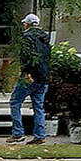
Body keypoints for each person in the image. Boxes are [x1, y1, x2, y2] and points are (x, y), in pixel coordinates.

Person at [10, 11, 51, 144]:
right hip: (43, 77)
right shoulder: (45, 38)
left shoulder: (26, 38)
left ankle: (17, 133)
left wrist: (27, 73)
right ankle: (40, 135)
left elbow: (26, 57)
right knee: (38, 107)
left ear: (27, 24)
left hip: (30, 77)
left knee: (15, 102)